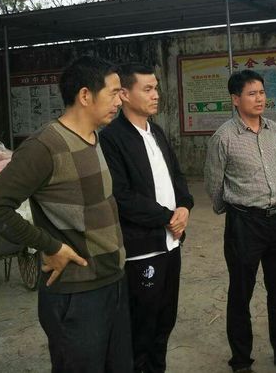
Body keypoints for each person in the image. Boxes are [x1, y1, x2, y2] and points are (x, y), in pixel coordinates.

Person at [0, 56, 131, 372]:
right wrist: (50, 246)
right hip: (76, 293)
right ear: (85, 95)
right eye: (113, 93)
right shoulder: (44, 146)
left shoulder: (95, 137)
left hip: (112, 280)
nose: (120, 100)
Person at [204, 70, 276, 373]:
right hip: (244, 223)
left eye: (262, 93)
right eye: (251, 94)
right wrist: (232, 211)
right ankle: (241, 362)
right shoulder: (224, 137)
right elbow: (213, 183)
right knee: (241, 293)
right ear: (235, 99)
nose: (259, 99)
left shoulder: (272, 129)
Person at [100, 63, 194, 373]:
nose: (156, 95)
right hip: (142, 248)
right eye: (148, 89)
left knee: (165, 321)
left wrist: (185, 207)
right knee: (141, 326)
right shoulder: (112, 138)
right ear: (124, 94)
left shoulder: (157, 132)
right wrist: (167, 217)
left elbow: (177, 177)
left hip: (171, 243)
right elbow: (121, 195)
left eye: (156, 88)